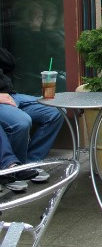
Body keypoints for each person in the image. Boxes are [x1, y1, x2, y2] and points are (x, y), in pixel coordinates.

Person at [0, 47, 62, 176]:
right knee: (21, 122)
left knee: (56, 110)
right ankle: (13, 170)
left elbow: (9, 63)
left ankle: (31, 163)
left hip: (10, 95)